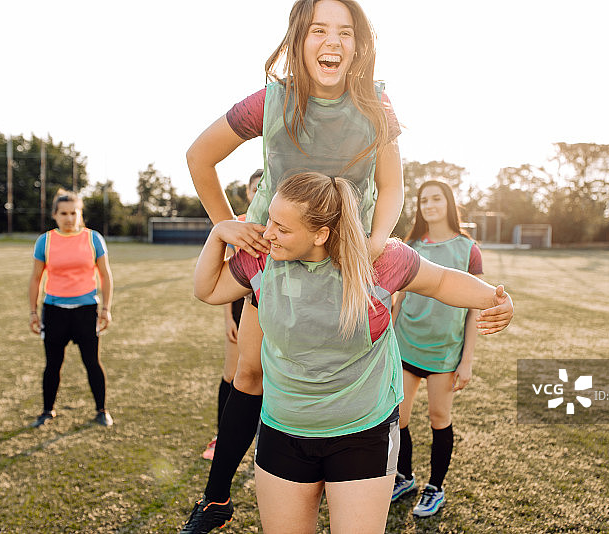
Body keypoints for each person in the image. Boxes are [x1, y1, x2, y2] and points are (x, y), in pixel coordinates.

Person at [182, 0, 403, 530]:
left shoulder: (377, 103)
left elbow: (392, 185)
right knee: (250, 370)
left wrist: (375, 241)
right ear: (299, 38)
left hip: (349, 258)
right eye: (319, 30)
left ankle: (364, 468)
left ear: (359, 43)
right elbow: (199, 155)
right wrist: (227, 224)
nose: (333, 41)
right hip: (274, 253)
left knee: (353, 364)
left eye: (345, 32)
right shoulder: (270, 102)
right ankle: (217, 498)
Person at [188, 172, 513, 534]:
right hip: (284, 429)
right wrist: (219, 232)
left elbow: (441, 281)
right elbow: (209, 289)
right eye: (270, 221)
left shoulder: (378, 259)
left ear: (320, 234)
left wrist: (495, 299)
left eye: (281, 226)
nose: (267, 233)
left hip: (363, 433)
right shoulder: (262, 258)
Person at [389, 180, 483, 517]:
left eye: (436, 198)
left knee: (439, 417)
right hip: (405, 344)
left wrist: (467, 359)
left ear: (448, 203)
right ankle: (405, 477)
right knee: (397, 416)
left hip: (444, 353)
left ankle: (435, 488)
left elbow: (475, 307)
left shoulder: (468, 249)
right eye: (423, 200)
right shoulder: (410, 245)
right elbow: (397, 298)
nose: (429, 205)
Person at [27, 189, 114, 428]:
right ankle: (47, 411)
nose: (68, 218)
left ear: (80, 214)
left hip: (86, 311)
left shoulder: (93, 238)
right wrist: (34, 313)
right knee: (53, 364)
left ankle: (102, 410)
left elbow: (106, 276)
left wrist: (105, 309)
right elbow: (35, 279)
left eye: (73, 213)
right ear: (55, 215)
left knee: (92, 363)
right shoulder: (45, 241)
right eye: (63, 213)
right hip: (54, 311)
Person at [202, 169, 262, 460]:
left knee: (264, 376)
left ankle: (264, 434)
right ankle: (221, 436)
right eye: (254, 188)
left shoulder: (281, 224)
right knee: (232, 375)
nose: (258, 191)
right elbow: (224, 270)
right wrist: (229, 319)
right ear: (248, 192)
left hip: (266, 306)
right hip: (239, 305)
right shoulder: (236, 224)